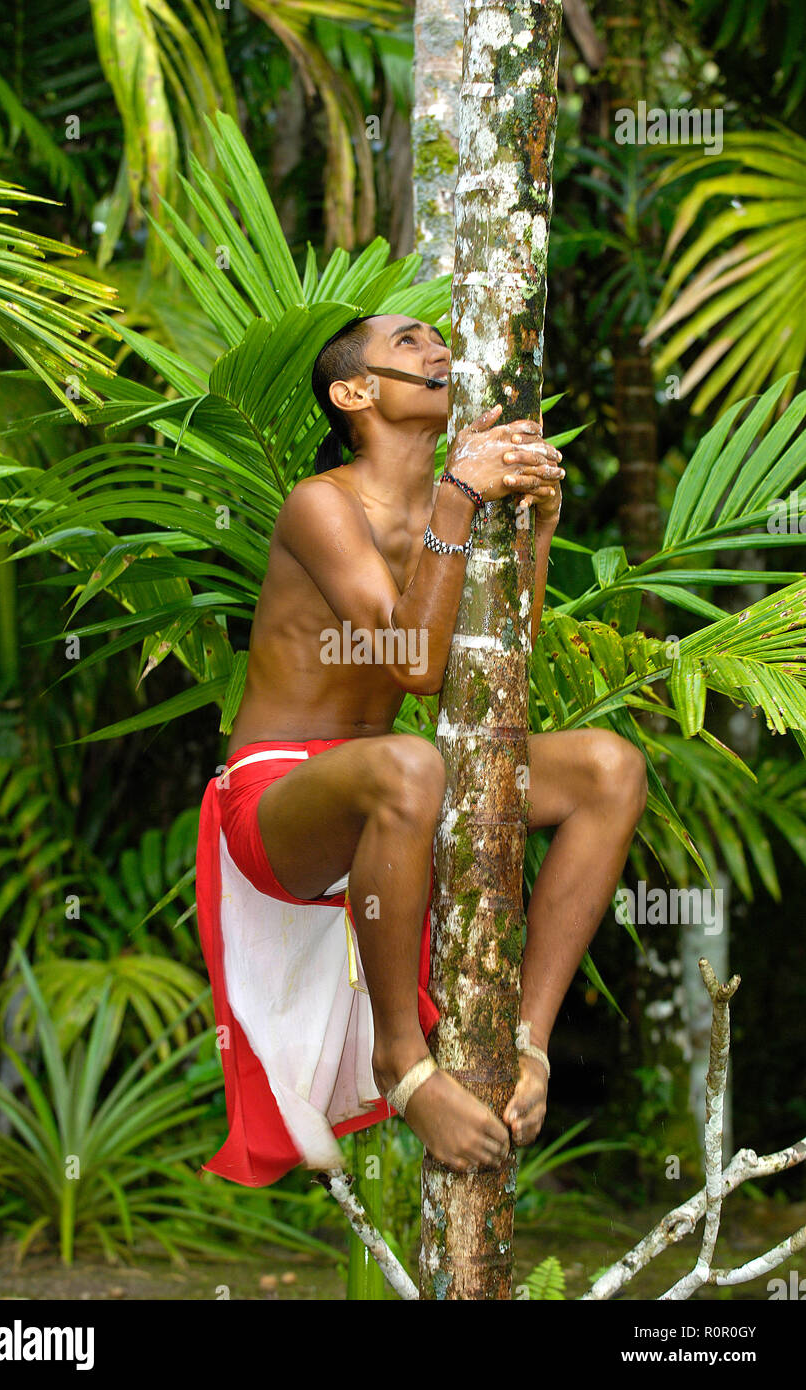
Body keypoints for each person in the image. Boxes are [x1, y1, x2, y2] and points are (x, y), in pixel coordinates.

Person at [195, 312, 648, 1186]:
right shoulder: (321, 504)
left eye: (440, 338)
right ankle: (402, 1065)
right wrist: (459, 498)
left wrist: (537, 531)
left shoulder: (455, 504)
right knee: (411, 762)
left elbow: (487, 666)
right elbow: (412, 664)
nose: (438, 350)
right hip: (279, 803)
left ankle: (532, 1046)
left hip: (398, 789)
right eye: (408, 344)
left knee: (607, 767)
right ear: (353, 393)